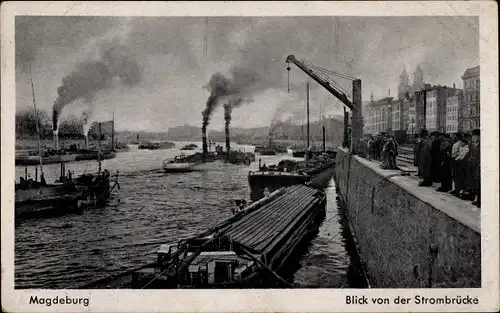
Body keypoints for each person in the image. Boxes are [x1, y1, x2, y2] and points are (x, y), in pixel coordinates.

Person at [468, 129, 481, 207]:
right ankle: (478, 200)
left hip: (479, 167)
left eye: (474, 136)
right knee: (476, 184)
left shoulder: (481, 145)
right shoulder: (475, 144)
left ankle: (480, 201)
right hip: (475, 166)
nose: (473, 138)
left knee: (479, 184)